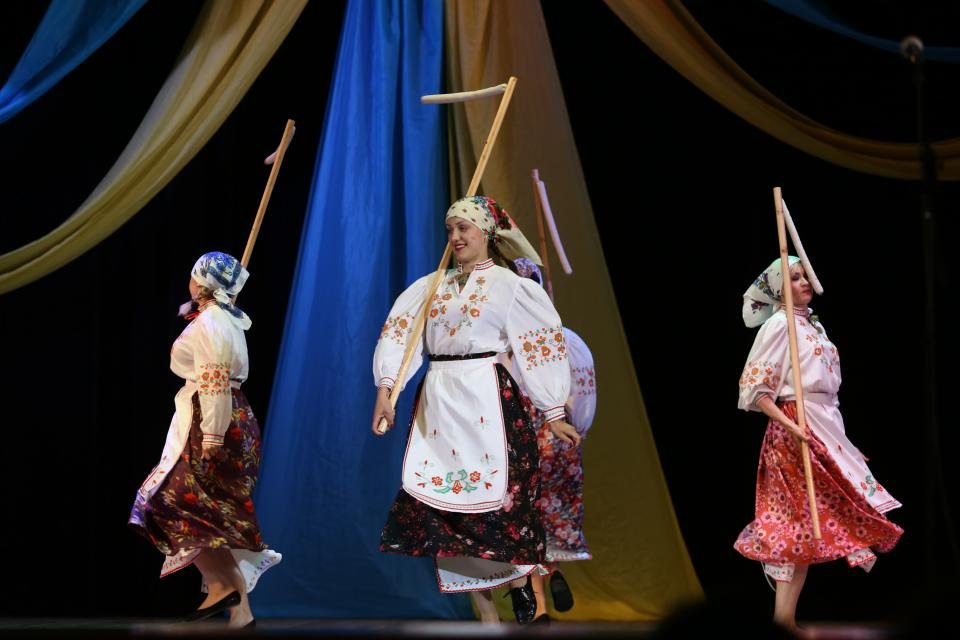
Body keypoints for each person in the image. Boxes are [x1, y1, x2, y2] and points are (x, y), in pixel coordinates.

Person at [372, 196, 580, 624]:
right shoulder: (430, 286)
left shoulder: (508, 285)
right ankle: (486, 618)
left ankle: (518, 581)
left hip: (487, 393)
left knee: (499, 501)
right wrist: (386, 391)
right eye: (450, 229)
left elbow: (539, 342)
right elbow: (399, 336)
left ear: (485, 232)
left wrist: (553, 410)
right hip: (439, 399)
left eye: (463, 228)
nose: (455, 236)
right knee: (443, 509)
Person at [734, 257, 902, 631]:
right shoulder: (780, 324)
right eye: (794, 278)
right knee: (800, 521)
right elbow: (756, 388)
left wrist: (842, 441)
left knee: (805, 526)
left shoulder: (813, 326)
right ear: (780, 289)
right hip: (795, 428)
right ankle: (782, 615)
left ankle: (783, 620)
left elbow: (828, 391)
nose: (804, 282)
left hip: (824, 424)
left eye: (804, 275)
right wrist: (790, 424)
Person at [129, 252, 281, 628]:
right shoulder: (220, 318)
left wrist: (212, 434)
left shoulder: (214, 321)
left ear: (201, 283)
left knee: (170, 500)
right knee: (210, 511)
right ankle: (239, 611)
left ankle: (220, 585)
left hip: (213, 417)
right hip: (225, 413)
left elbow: (214, 377)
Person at [510, 258, 595, 620]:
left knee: (522, 518)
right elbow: (585, 394)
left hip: (523, 436)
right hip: (562, 437)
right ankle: (554, 572)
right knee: (551, 516)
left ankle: (539, 605)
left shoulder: (509, 344)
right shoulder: (570, 340)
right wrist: (580, 431)